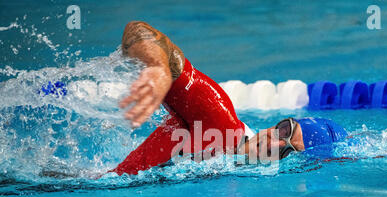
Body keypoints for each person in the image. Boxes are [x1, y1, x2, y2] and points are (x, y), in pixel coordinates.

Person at [112, 21, 347, 175]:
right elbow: (137, 31)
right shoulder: (219, 120)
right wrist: (159, 66)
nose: (273, 142)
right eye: (284, 130)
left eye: (287, 151)